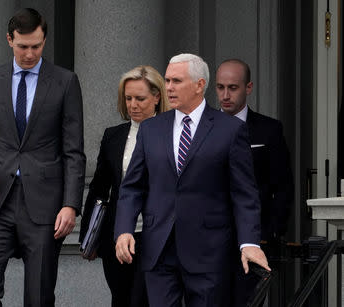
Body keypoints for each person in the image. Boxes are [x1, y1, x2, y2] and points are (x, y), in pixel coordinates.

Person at [114, 53, 270, 307]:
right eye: (167, 80)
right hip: (159, 249)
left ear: (199, 85)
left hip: (209, 251)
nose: (169, 88)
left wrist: (249, 242)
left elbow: (244, 194)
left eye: (177, 81)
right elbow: (132, 187)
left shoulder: (229, 130)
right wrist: (123, 230)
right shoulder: (151, 129)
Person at [0, 8, 85, 307]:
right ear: (9, 40)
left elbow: (73, 151)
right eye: (23, 46)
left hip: (45, 205)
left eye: (37, 46)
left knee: (39, 296)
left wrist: (70, 205)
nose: (30, 53)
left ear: (44, 41)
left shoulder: (65, 82)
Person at [80, 65, 170, 307]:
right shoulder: (113, 136)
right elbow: (99, 187)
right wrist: (88, 238)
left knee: (145, 299)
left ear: (157, 97)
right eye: (128, 98)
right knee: (120, 298)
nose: (133, 105)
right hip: (117, 236)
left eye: (140, 98)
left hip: (157, 236)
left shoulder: (172, 134)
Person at [216, 59, 294, 306]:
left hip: (252, 239)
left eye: (233, 87)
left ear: (248, 87)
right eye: (219, 87)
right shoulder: (198, 128)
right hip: (207, 241)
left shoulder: (269, 130)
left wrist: (271, 232)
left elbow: (282, 185)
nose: (225, 95)